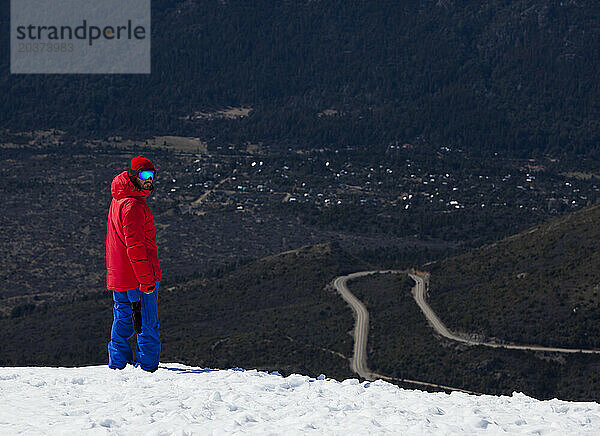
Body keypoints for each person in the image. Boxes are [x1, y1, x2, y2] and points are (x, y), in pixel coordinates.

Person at [106, 155, 161, 372]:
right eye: (145, 175)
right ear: (134, 176)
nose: (149, 180)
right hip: (138, 279)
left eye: (152, 175)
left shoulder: (118, 200)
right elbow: (136, 249)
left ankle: (118, 365)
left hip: (119, 277)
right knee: (147, 323)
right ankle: (147, 369)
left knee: (122, 320)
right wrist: (146, 280)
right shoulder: (134, 206)